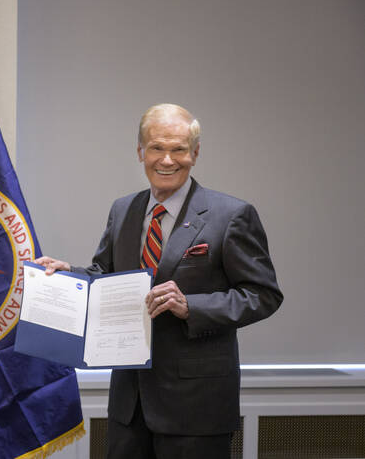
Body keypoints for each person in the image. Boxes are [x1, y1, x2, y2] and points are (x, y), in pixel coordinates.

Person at [36, 103, 282, 459]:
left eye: (179, 149)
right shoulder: (124, 209)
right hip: (129, 404)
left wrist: (191, 307)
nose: (167, 160)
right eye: (157, 148)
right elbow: (107, 277)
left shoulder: (231, 215)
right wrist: (67, 275)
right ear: (140, 152)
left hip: (197, 407)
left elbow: (263, 295)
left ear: (194, 154)